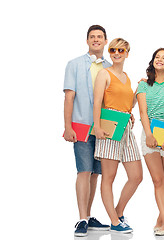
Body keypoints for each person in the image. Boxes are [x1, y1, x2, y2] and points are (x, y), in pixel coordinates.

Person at [63, 25, 111, 237]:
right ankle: (81, 218)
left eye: (99, 36)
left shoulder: (110, 67)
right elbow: (69, 97)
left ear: (105, 40)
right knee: (83, 170)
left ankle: (89, 215)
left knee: (96, 174)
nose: (96, 40)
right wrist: (67, 126)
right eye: (92, 37)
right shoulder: (73, 65)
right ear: (87, 41)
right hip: (81, 125)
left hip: (104, 129)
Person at [93, 38, 143, 234]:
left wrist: (138, 91)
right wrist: (97, 127)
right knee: (109, 177)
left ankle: (118, 213)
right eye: (113, 49)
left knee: (136, 176)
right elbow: (97, 102)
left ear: (127, 53)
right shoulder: (104, 74)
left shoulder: (127, 77)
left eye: (120, 50)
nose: (116, 53)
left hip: (126, 128)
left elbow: (128, 104)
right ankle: (114, 222)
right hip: (108, 127)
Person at [136, 48, 164, 236]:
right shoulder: (144, 85)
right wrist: (148, 134)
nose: (160, 60)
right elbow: (143, 112)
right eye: (157, 57)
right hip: (150, 134)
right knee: (158, 179)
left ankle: (162, 219)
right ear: (152, 61)